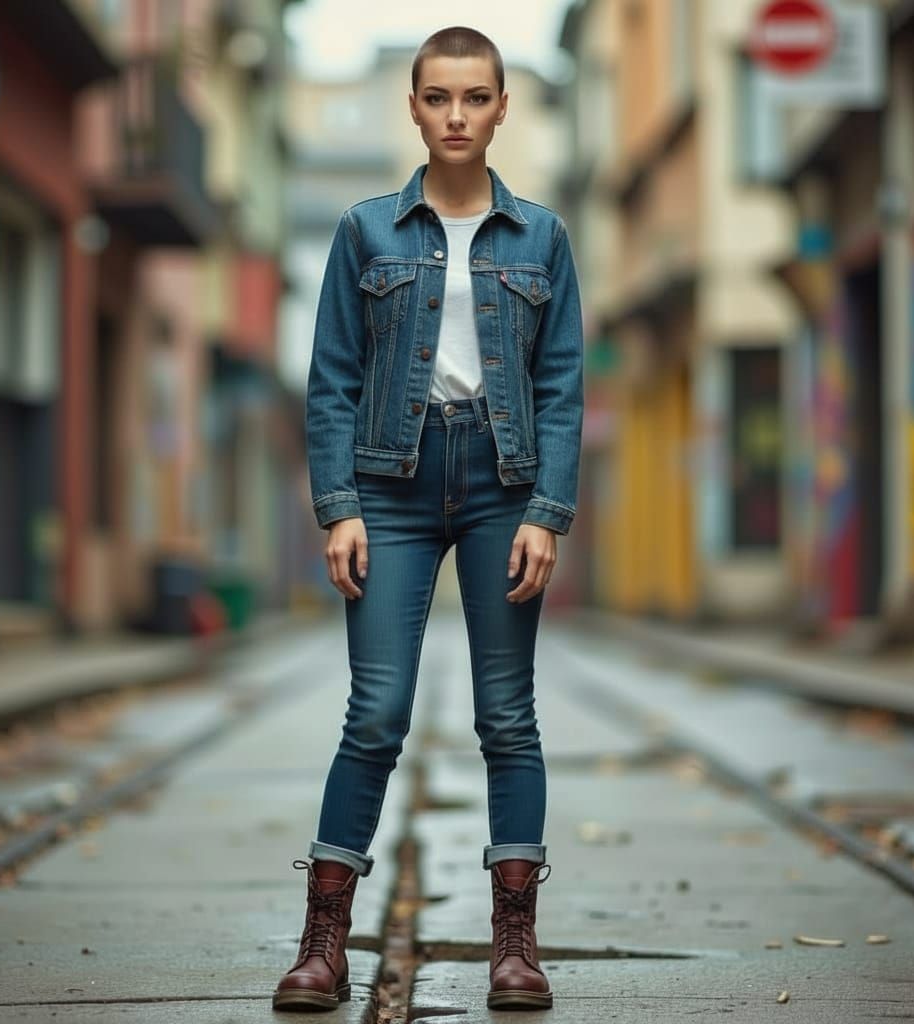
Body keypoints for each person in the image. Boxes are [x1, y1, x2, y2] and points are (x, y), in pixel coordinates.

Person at [273, 25, 583, 1014]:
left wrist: (545, 510)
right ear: (413, 108)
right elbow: (331, 379)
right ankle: (325, 943)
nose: (456, 115)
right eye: (438, 97)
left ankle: (515, 947)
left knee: (507, 716)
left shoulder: (542, 237)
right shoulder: (364, 229)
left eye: (475, 97)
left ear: (501, 108)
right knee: (375, 713)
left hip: (502, 482)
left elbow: (561, 381)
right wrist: (338, 507)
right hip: (392, 488)